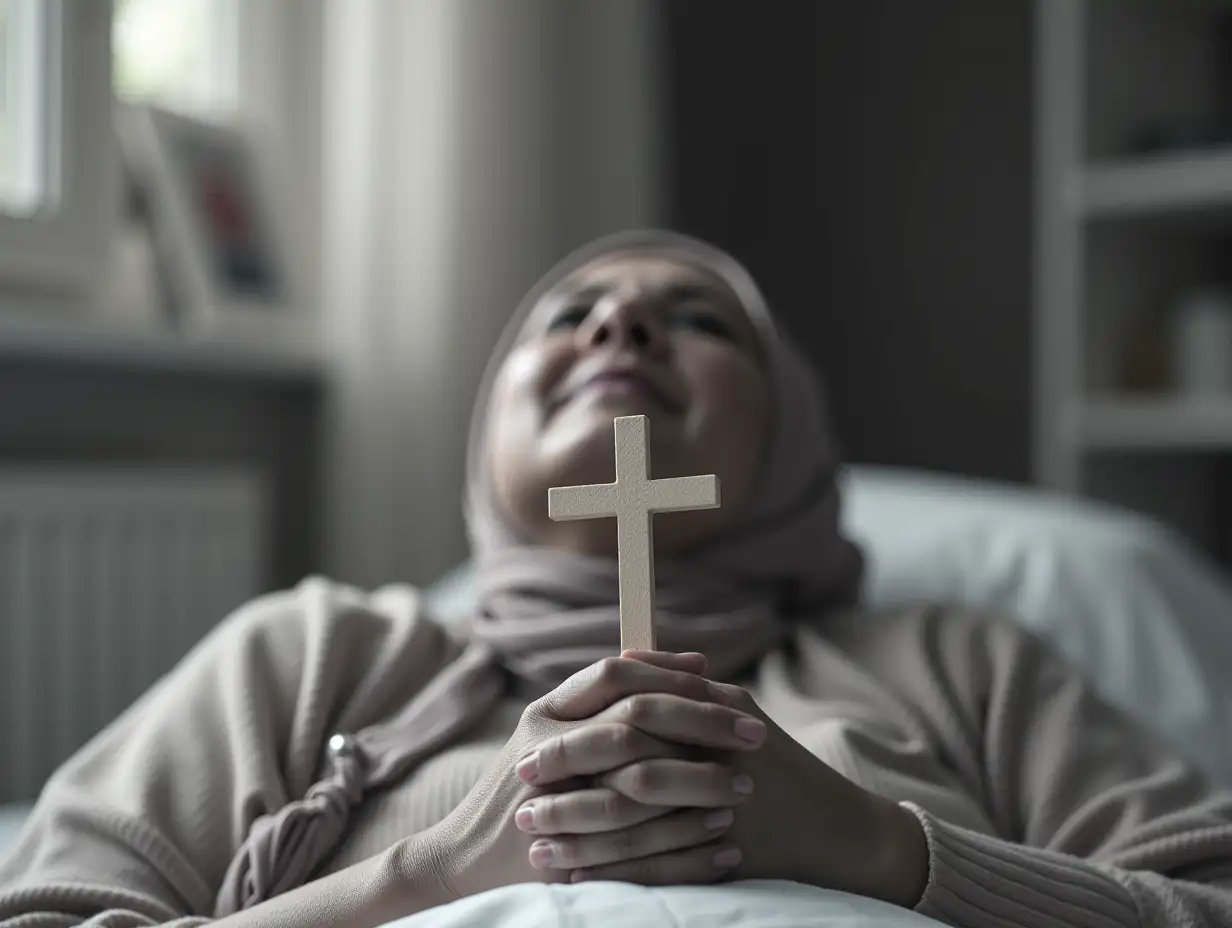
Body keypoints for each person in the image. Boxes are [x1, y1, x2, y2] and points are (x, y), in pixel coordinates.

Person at [3, 231, 1232, 928]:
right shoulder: (310, 654)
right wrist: (429, 869)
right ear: (487, 432)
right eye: (569, 314)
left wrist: (878, 847)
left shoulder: (963, 661)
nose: (618, 331)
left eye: (693, 319)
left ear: (791, 434)